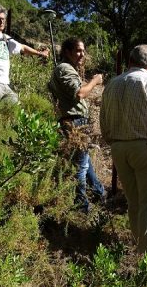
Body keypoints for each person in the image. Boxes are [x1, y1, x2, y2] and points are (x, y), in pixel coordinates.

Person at [100, 44, 147, 256]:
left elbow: (103, 121)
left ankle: (138, 246)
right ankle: (146, 260)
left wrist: (113, 142)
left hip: (119, 148)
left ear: (130, 61)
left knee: (134, 201)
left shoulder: (112, 84)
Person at [48, 37, 105, 213]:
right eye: (78, 51)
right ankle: (82, 206)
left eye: (83, 51)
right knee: (80, 166)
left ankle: (98, 192)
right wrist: (95, 81)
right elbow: (79, 93)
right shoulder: (64, 68)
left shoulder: (68, 69)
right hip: (75, 121)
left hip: (75, 119)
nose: (82, 54)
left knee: (84, 160)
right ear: (67, 51)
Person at [0, 3, 49, 104]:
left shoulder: (6, 39)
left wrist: (40, 53)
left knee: (13, 108)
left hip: (5, 84)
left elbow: (23, 48)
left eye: (3, 19)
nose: (2, 22)